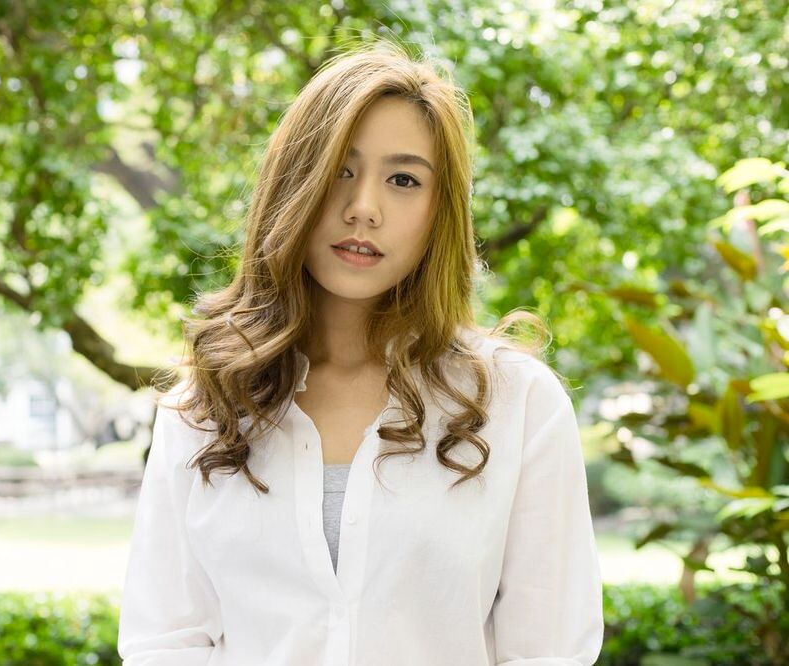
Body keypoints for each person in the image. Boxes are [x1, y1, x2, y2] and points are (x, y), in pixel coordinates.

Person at [117, 36, 603, 666]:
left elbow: (549, 652)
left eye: (403, 179)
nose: (363, 208)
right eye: (340, 170)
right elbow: (165, 642)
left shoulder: (519, 405)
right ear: (295, 184)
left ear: (438, 212)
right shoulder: (204, 404)